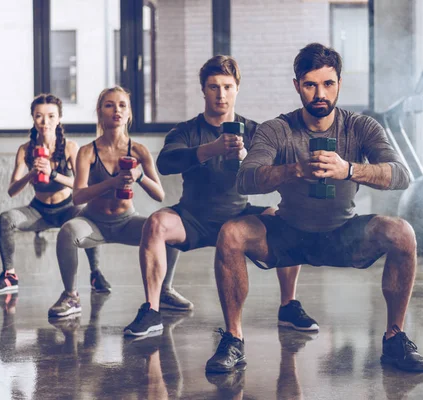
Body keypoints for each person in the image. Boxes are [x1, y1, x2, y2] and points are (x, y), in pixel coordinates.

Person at [205, 43, 423, 373]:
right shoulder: (276, 129)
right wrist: (293, 169)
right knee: (231, 234)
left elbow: (401, 175)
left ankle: (394, 337)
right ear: (297, 85)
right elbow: (246, 180)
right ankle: (234, 339)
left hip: (342, 233)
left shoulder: (360, 127)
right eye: (310, 84)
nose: (320, 93)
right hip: (289, 231)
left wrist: (349, 169)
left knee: (402, 233)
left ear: (339, 83)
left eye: (328, 84)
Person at [123, 55, 318, 337]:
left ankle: (288, 305)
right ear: (204, 90)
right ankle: (152, 311)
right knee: (155, 224)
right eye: (214, 87)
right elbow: (166, 163)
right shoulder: (187, 130)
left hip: (239, 215)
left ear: (237, 88)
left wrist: (247, 159)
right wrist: (211, 149)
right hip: (193, 217)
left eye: (227, 86)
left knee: (288, 218)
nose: (221, 94)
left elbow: (275, 175)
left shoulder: (255, 131)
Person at [48, 86, 190, 318]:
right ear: (100, 112)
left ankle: (165, 291)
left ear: (129, 113)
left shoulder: (139, 150)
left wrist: (140, 176)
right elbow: (78, 196)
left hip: (126, 222)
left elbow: (159, 194)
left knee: (170, 229)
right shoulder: (87, 151)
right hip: (93, 222)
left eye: (122, 105)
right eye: (109, 105)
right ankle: (71, 296)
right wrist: (111, 183)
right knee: (67, 231)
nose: (116, 110)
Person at [0, 94, 101, 294]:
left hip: (67, 209)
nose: (45, 122)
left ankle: (96, 274)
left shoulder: (70, 148)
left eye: (50, 116)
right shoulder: (25, 150)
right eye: (39, 116)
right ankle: (9, 276)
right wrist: (30, 174)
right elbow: (12, 190)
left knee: (89, 215)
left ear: (59, 119)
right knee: (6, 219)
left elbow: (82, 185)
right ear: (33, 117)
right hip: (38, 211)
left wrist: (53, 174)